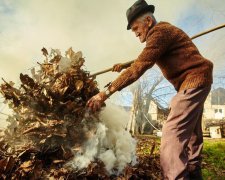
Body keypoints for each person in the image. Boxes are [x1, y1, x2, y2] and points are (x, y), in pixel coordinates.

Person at [86, 0, 213, 179]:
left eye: (136, 28)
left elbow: (140, 66)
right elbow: (144, 57)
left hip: (193, 81)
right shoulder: (162, 34)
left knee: (172, 134)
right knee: (192, 132)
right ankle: (194, 171)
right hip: (200, 80)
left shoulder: (160, 32)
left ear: (148, 21)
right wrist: (123, 65)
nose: (135, 33)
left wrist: (105, 93)